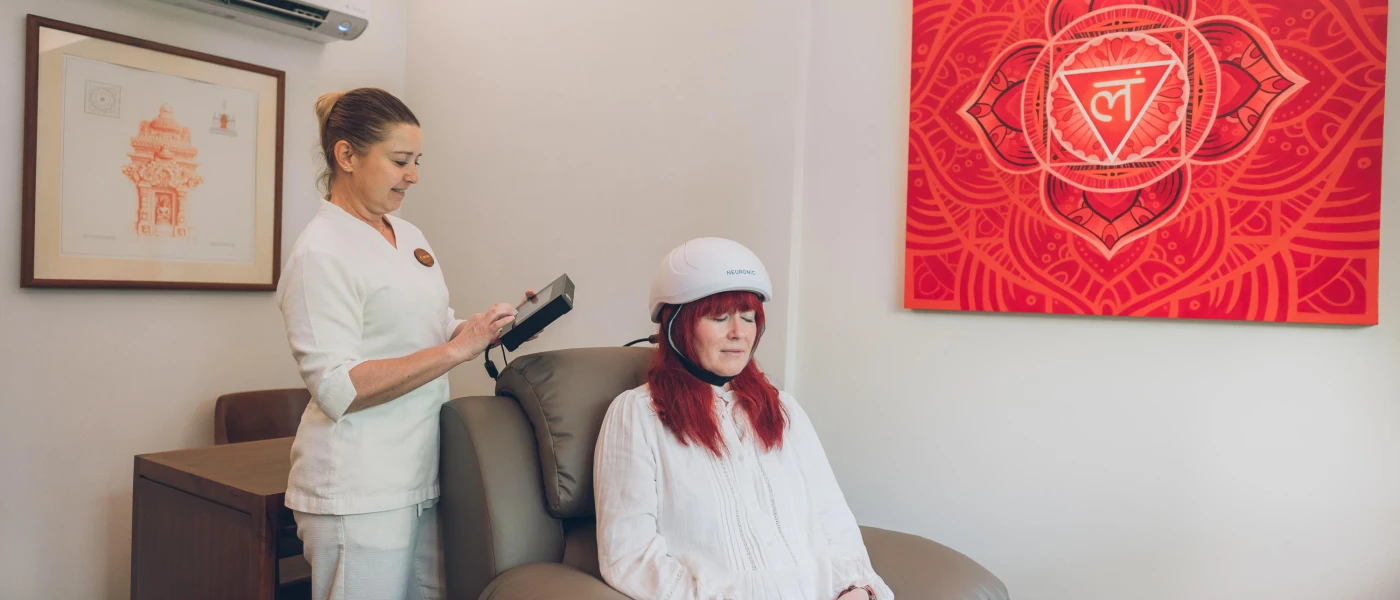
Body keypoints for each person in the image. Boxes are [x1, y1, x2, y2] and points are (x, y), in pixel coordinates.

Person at [277, 87, 531, 600]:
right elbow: (338, 387)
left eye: (416, 161)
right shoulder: (320, 254)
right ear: (346, 155)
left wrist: (482, 329)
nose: (413, 175)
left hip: (422, 472)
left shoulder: (409, 234)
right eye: (399, 161)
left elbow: (431, 330)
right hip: (358, 488)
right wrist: (456, 351)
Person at [594, 237, 893, 600]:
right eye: (719, 318)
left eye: (748, 317)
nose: (739, 333)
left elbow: (833, 521)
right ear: (676, 327)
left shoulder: (782, 409)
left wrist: (856, 589)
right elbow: (630, 557)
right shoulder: (637, 416)